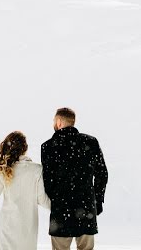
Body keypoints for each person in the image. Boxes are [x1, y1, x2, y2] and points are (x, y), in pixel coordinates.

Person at [0, 131, 51, 250]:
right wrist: (61, 210)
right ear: (25, 148)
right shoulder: (37, 170)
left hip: (7, 229)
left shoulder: (4, 170)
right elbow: (42, 200)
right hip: (27, 231)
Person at [41, 107, 108, 250]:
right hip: (86, 209)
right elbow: (102, 173)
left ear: (59, 122)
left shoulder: (48, 147)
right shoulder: (90, 142)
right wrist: (97, 199)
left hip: (60, 212)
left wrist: (57, 199)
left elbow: (47, 181)